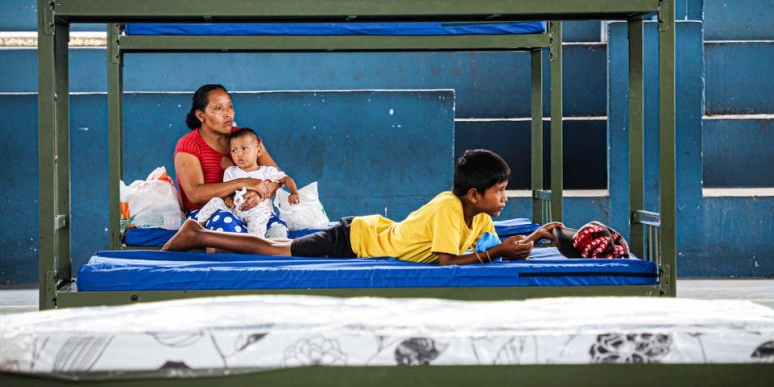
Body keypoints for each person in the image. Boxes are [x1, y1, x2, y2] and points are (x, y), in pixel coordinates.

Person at [163, 148, 562, 265]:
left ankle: (198, 234)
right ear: (474, 194)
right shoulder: (448, 208)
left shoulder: (476, 218)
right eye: (500, 191)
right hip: (355, 238)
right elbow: (446, 264)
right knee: (273, 250)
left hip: (364, 234)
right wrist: (498, 253)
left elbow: (493, 244)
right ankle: (197, 232)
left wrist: (534, 237)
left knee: (276, 249)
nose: (504, 199)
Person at [173, 84, 284, 232]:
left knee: (278, 229)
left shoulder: (246, 138)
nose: (228, 114)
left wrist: (259, 195)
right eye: (218, 109)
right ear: (201, 116)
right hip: (207, 213)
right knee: (227, 226)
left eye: (230, 107)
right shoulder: (189, 145)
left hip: (249, 209)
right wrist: (243, 183)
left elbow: (278, 177)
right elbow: (195, 195)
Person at [193, 127, 300, 237]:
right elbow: (227, 192)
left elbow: (286, 179)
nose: (239, 154)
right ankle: (195, 226)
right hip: (236, 210)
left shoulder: (267, 171)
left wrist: (293, 192)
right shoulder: (231, 172)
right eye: (234, 150)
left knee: (259, 220)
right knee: (215, 201)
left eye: (244, 149)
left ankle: (254, 242)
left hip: (257, 211)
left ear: (258, 150)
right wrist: (228, 199)